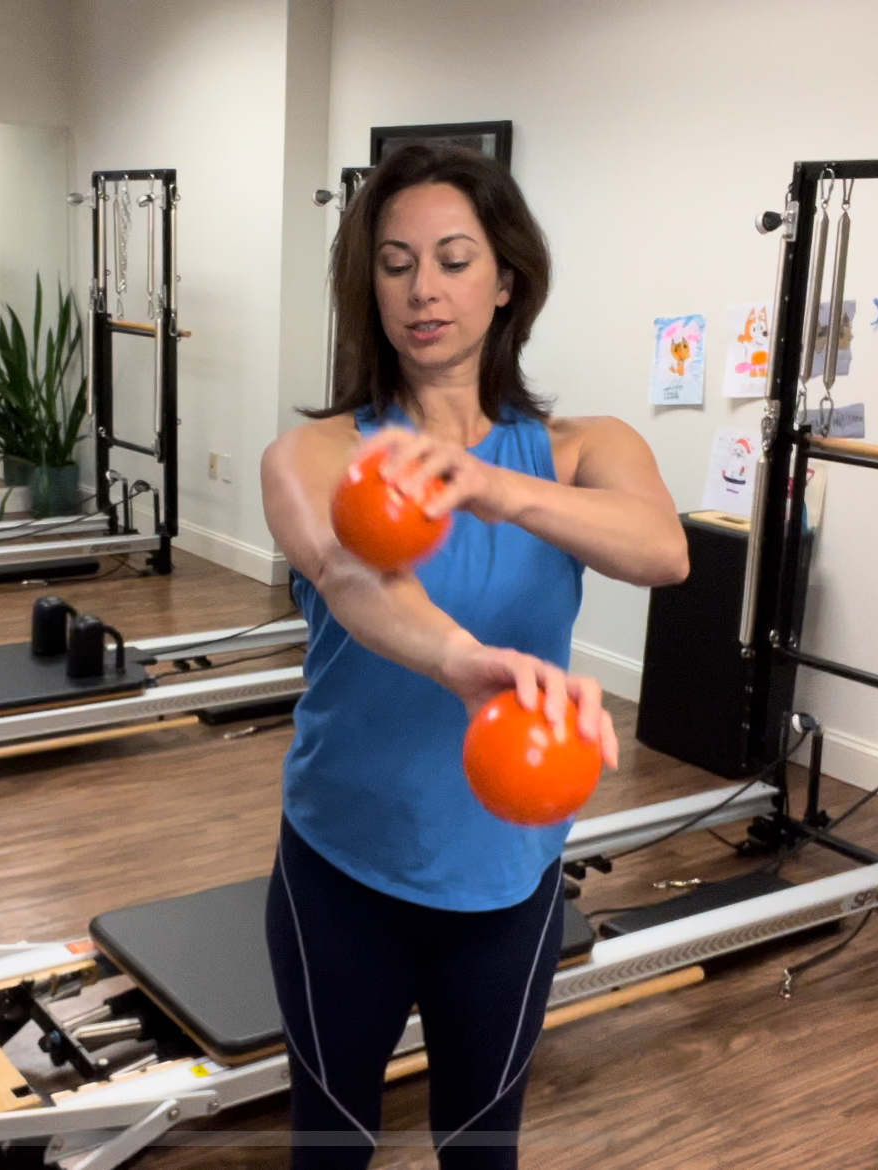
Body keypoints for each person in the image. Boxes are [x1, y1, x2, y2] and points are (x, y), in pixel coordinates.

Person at [258, 143, 688, 1168]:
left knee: (480, 1151)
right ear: (368, 287)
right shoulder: (315, 455)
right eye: (395, 263)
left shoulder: (584, 449)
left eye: (453, 260)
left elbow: (662, 551)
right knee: (329, 1149)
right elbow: (352, 575)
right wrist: (458, 659)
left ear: (505, 281)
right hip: (340, 870)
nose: (423, 289)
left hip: (506, 879)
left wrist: (491, 484)